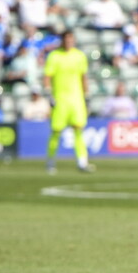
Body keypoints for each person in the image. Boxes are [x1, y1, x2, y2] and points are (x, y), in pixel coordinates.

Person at [44, 30, 94, 174]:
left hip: (76, 99)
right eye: (66, 39)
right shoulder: (54, 56)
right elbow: (47, 76)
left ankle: (82, 162)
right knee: (56, 131)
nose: (69, 42)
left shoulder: (79, 56)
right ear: (62, 40)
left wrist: (87, 95)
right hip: (60, 99)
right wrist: (49, 94)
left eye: (71, 39)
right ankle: (50, 161)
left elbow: (83, 77)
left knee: (78, 129)